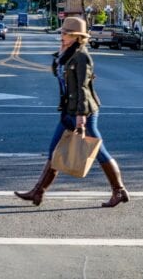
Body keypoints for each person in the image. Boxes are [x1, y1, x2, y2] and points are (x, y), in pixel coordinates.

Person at [14, 16, 129, 208]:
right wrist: (60, 54)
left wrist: (81, 117)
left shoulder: (82, 56)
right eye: (62, 32)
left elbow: (82, 88)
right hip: (69, 110)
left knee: (99, 152)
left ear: (77, 36)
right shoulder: (67, 54)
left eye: (66, 33)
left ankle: (119, 190)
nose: (62, 35)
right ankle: (38, 192)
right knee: (54, 151)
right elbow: (58, 74)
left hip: (84, 113)